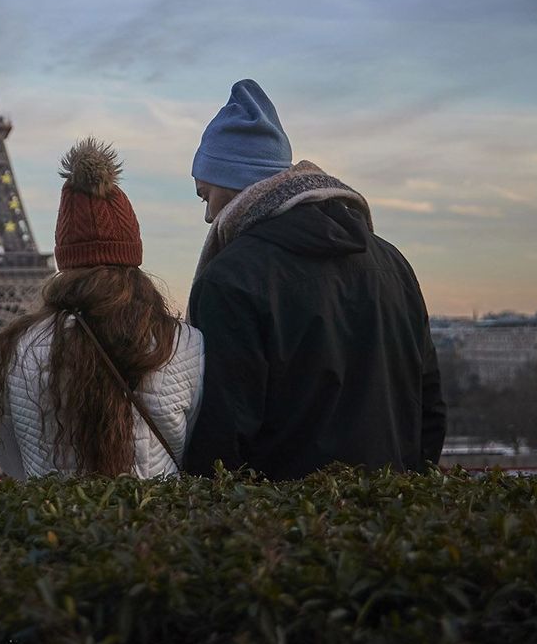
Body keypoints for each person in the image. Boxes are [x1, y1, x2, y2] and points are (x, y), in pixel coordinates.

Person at [182, 79, 446, 480]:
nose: (207, 217)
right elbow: (428, 408)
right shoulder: (393, 263)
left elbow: (221, 438)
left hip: (284, 529)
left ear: (233, 182)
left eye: (205, 196)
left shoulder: (231, 278)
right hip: (392, 520)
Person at [0, 138, 204, 478]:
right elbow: (193, 453)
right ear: (133, 257)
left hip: (55, 524)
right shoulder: (184, 344)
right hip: (157, 525)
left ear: (65, 261)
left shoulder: (18, 349)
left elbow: (15, 466)